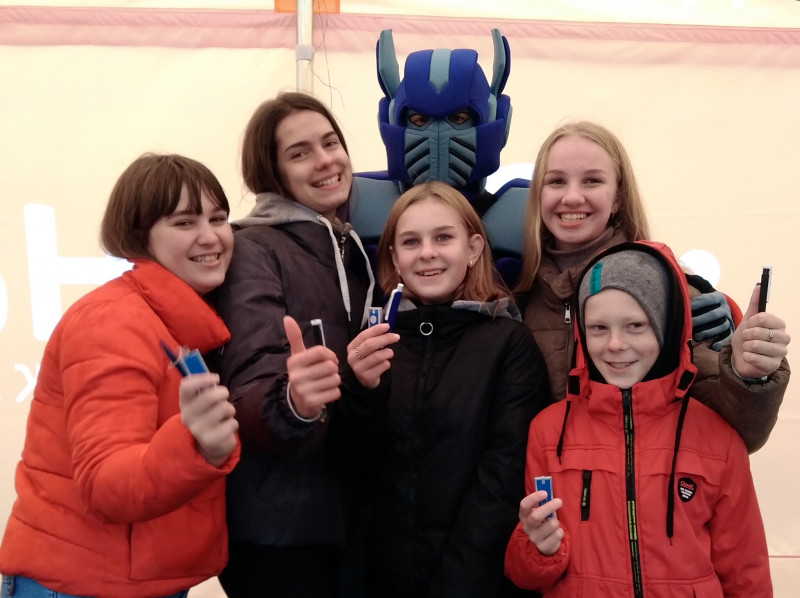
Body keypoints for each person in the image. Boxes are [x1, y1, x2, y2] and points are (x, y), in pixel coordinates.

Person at [0, 154, 240, 598]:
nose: (210, 236)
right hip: (81, 585)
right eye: (184, 223)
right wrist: (196, 443)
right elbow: (106, 483)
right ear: (139, 235)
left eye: (219, 218)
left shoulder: (173, 319)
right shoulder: (113, 320)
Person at [505, 241, 789, 596]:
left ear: (667, 328)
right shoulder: (548, 432)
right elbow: (525, 574)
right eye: (598, 328)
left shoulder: (718, 436)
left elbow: (746, 572)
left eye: (636, 325)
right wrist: (537, 549)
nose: (615, 344)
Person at [514, 120, 786, 452]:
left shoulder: (675, 293)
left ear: (618, 198)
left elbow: (735, 434)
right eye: (556, 181)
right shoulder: (516, 299)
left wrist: (747, 375)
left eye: (592, 180)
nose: (572, 197)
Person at [335, 181, 550, 597]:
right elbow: (352, 468)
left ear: (473, 249)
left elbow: (501, 482)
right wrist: (361, 392)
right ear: (395, 258)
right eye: (411, 241)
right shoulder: (375, 342)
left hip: (472, 582)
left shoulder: (509, 343)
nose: (427, 253)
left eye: (443, 237)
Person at [209, 91, 375, 597]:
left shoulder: (351, 250)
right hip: (277, 534)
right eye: (300, 153)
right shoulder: (252, 249)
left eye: (331, 143)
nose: (325, 160)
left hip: (343, 523)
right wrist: (292, 401)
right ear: (272, 172)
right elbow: (249, 385)